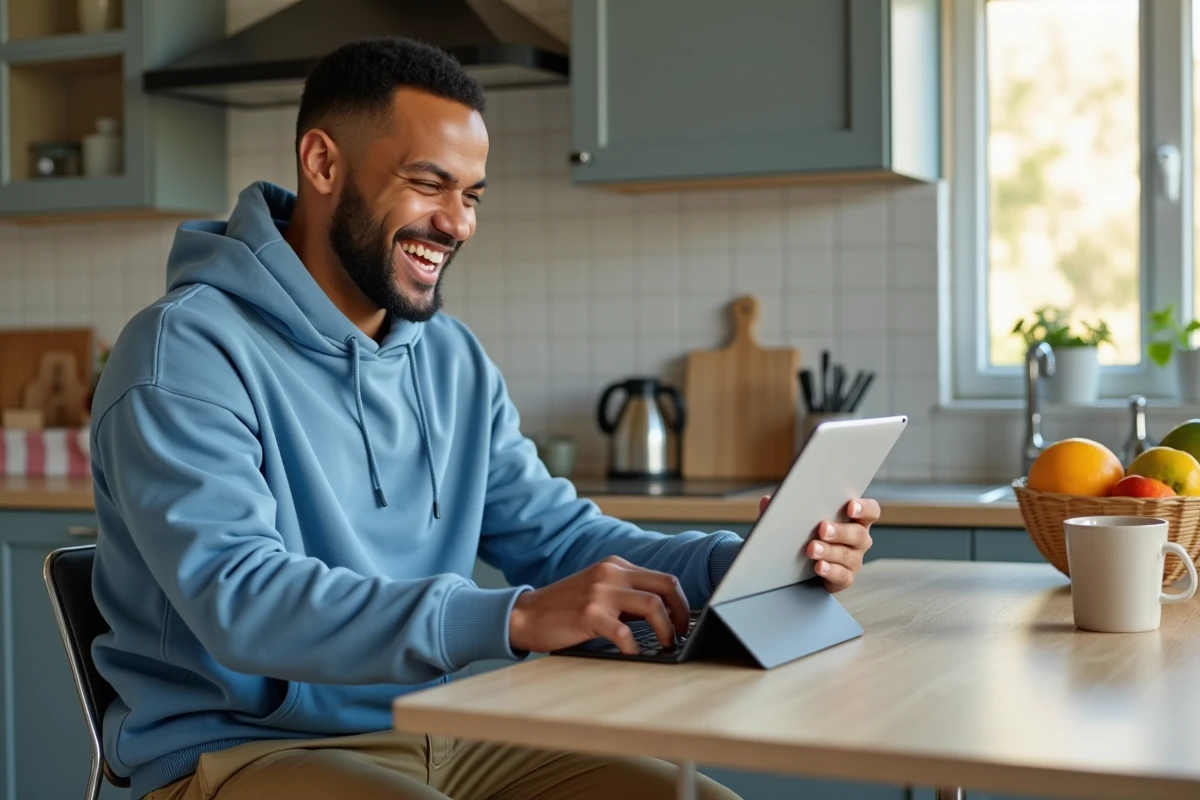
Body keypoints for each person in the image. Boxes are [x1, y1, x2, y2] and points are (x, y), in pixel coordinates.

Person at [89, 36, 879, 800]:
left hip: (445, 731)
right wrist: (519, 616)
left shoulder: (450, 357)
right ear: (323, 162)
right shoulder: (185, 352)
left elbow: (556, 539)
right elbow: (244, 600)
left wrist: (735, 567)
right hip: (238, 756)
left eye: (470, 195)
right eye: (429, 184)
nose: (459, 222)